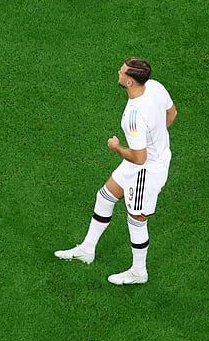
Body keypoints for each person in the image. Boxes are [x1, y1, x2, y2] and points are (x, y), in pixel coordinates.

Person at [55, 57, 177, 285]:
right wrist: (155, 139)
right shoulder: (155, 87)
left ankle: (139, 272)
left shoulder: (134, 116)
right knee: (105, 196)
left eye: (122, 72)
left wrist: (117, 147)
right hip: (147, 161)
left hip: (146, 171)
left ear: (130, 82)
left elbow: (139, 158)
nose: (118, 72)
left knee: (137, 221)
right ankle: (87, 249)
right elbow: (172, 114)